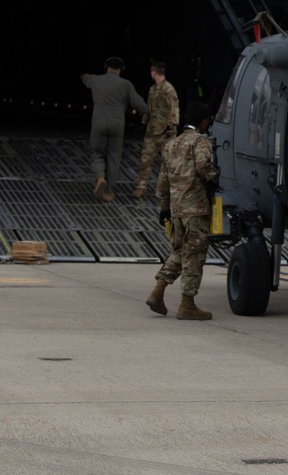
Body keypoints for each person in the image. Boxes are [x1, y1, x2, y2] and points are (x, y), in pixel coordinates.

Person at [146, 101, 219, 320]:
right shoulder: (201, 142)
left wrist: (164, 208)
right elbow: (203, 166)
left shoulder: (171, 144)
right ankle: (187, 304)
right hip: (195, 209)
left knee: (179, 251)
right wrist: (215, 177)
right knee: (194, 255)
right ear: (204, 122)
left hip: (177, 210)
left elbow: (162, 180)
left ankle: (157, 292)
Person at [80, 56, 148, 202]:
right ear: (121, 70)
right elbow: (140, 106)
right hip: (117, 124)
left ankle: (100, 178)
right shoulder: (126, 84)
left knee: (97, 153)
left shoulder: (96, 80)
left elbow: (84, 77)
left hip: (99, 123)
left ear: (106, 67)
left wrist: (91, 77)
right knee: (113, 157)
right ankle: (109, 192)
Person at [132, 61, 179, 198]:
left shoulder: (169, 89)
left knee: (169, 162)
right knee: (146, 160)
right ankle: (141, 186)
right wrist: (143, 123)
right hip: (152, 131)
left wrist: (172, 125)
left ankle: (169, 190)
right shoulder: (153, 89)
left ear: (154, 72)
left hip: (165, 132)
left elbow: (174, 108)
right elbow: (149, 108)